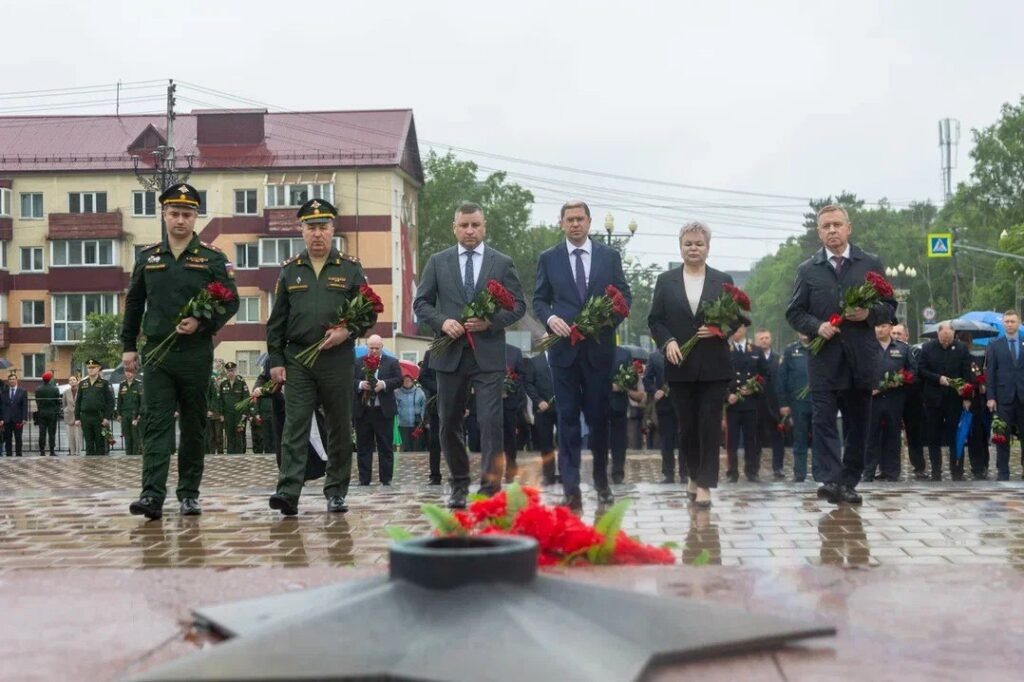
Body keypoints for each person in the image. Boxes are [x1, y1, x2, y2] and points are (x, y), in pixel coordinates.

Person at [122, 183, 239, 520]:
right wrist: (129, 346)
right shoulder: (148, 257)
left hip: (194, 353)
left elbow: (231, 301)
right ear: (164, 214)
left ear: (195, 217)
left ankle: (189, 494)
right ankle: (151, 495)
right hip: (157, 353)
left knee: (192, 425)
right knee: (156, 423)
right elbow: (134, 304)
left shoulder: (212, 258)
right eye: (174, 213)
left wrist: (202, 324)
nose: (180, 220)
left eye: (187, 214)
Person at [266, 198, 376, 516]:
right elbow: (276, 322)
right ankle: (288, 491)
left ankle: (336, 491)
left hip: (337, 359)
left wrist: (347, 331)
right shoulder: (289, 271)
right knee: (295, 425)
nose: (317, 234)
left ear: (332, 229)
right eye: (311, 227)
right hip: (298, 358)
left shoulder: (350, 268)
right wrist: (276, 361)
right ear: (301, 230)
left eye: (323, 227)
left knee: (339, 426)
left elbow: (367, 314)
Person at [413, 202, 526, 508]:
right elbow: (421, 303)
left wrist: (491, 321)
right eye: (464, 225)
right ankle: (459, 484)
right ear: (455, 227)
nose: (470, 231)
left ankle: (490, 489)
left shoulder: (501, 262)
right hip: (449, 354)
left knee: (491, 421)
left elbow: (518, 305)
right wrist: (441, 321)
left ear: (484, 226)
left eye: (475, 225)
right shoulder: (438, 261)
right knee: (449, 423)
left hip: (488, 354)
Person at [786, 204, 894, 505]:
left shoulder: (869, 263)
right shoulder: (808, 270)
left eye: (837, 224)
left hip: (861, 359)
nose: (832, 230)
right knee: (823, 421)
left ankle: (849, 481)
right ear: (819, 232)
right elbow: (794, 312)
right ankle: (830, 478)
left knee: (858, 423)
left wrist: (867, 313)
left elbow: (890, 308)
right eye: (826, 226)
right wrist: (816, 326)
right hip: (823, 360)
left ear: (849, 227)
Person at [533, 200, 631, 510]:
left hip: (599, 352)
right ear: (561, 223)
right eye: (569, 219)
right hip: (563, 355)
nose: (575, 224)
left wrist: (604, 322)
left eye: (580, 219)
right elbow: (539, 300)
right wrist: (549, 319)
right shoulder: (548, 258)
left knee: (599, 420)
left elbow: (624, 298)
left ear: (589, 222)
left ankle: (601, 482)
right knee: (567, 420)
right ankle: (571, 487)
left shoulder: (609, 256)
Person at [648, 221, 745, 508]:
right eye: (688, 243)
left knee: (709, 425)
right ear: (680, 247)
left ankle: (705, 484)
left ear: (708, 247)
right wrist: (668, 343)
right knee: (688, 427)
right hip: (680, 367)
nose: (693, 248)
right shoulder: (666, 281)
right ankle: (692, 474)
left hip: (714, 367)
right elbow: (655, 320)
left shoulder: (722, 279)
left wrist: (718, 330)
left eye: (699, 243)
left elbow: (735, 319)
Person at [917, 321, 973, 480]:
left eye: (949, 338)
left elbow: (967, 373)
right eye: (943, 338)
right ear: (938, 334)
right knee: (933, 436)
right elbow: (921, 370)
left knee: (955, 435)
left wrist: (967, 397)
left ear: (954, 335)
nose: (946, 341)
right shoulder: (927, 348)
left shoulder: (961, 348)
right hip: (933, 399)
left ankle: (957, 470)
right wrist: (938, 379)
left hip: (954, 399)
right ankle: (936, 470)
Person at [864, 319, 912, 481]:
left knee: (893, 436)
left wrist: (897, 381)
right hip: (872, 399)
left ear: (890, 328)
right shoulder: (867, 347)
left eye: (883, 326)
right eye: (877, 325)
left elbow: (912, 371)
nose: (879, 329)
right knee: (871, 436)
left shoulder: (902, 349)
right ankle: (868, 471)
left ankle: (891, 472)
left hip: (894, 399)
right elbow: (858, 369)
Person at [353, 335, 403, 485]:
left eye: (377, 348)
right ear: (367, 347)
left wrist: (384, 384)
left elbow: (399, 380)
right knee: (363, 446)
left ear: (382, 347)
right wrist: (361, 384)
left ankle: (386, 479)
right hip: (363, 411)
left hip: (383, 411)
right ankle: (364, 480)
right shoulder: (357, 362)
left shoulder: (392, 362)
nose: (374, 351)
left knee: (386, 446)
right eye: (371, 348)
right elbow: (349, 379)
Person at [725, 326, 768, 482]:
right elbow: (718, 376)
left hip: (751, 402)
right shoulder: (725, 350)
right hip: (732, 404)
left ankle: (752, 471)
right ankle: (732, 472)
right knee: (732, 441)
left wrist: (754, 388)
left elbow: (765, 374)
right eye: (732, 328)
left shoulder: (755, 350)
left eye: (739, 327)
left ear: (744, 329)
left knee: (752, 439)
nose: (736, 330)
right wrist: (727, 395)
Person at [985, 310, 1024, 481]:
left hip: (1023, 397)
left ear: (1019, 323)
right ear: (1003, 323)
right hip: (1003, 399)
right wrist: (991, 397)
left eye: (1012, 321)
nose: (1009, 324)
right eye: (1007, 321)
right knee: (1002, 437)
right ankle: (1003, 472)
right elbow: (990, 374)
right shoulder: (995, 345)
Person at [642, 351, 685, 484]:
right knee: (667, 440)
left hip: (682, 402)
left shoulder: (682, 350)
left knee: (684, 438)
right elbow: (646, 379)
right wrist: (654, 391)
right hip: (664, 404)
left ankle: (685, 473)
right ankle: (668, 473)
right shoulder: (655, 356)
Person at [893, 323, 928, 479]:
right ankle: (890, 468)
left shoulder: (915, 352)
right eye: (893, 333)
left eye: (899, 333)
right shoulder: (885, 350)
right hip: (893, 397)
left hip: (912, 398)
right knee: (891, 434)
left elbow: (919, 373)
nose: (896, 336)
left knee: (914, 434)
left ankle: (919, 467)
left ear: (906, 336)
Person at [777, 334, 813, 481]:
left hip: (818, 400)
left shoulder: (821, 347)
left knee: (820, 439)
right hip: (798, 402)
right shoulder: (790, 350)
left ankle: (820, 472)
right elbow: (782, 377)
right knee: (799, 438)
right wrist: (783, 403)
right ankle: (799, 473)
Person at [524, 348, 559, 485]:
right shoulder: (534, 362)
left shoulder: (562, 359)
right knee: (545, 443)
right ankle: (548, 475)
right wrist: (538, 400)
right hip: (542, 409)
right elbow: (528, 383)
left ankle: (564, 473)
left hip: (562, 408)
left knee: (563, 441)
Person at [754, 329, 785, 479]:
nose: (764, 341)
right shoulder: (752, 358)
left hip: (775, 403)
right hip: (757, 403)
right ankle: (754, 469)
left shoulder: (779, 358)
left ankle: (778, 467)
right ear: (756, 341)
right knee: (756, 437)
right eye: (761, 338)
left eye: (766, 338)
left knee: (777, 437)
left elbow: (783, 382)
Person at [608, 346, 637, 484]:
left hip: (618, 404)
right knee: (598, 439)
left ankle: (618, 472)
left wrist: (623, 384)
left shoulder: (624, 354)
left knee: (619, 441)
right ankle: (600, 471)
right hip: (598, 402)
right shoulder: (592, 349)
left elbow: (633, 379)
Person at [76, 359, 114, 455]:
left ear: (98, 368)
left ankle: (100, 467)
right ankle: (89, 466)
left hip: (99, 417)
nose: (91, 370)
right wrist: (77, 418)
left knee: (100, 443)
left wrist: (106, 417)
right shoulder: (82, 383)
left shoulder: (104, 383)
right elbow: (78, 402)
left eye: (93, 367)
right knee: (88, 443)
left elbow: (111, 402)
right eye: (89, 368)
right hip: (86, 417)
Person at [501, 343, 528, 482]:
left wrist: (509, 388)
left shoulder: (514, 351)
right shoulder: (482, 348)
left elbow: (522, 375)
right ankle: (492, 469)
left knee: (509, 437)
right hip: (488, 401)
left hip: (509, 402)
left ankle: (510, 469)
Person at [417, 351, 443, 484]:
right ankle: (435, 475)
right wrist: (440, 388)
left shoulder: (460, 350)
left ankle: (458, 475)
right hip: (435, 403)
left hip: (454, 402)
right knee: (435, 442)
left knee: (456, 439)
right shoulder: (430, 354)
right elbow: (423, 377)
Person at [219, 362, 249, 454]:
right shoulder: (223, 384)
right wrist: (221, 414)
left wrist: (245, 413)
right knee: (229, 435)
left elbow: (246, 399)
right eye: (228, 371)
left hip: (239, 414)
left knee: (239, 435)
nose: (230, 373)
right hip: (228, 414)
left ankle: (239, 455)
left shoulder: (241, 383)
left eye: (232, 371)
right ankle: (230, 454)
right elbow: (220, 400)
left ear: (235, 371)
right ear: (226, 372)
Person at [116, 367, 144, 455]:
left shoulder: (139, 384)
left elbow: (142, 402)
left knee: (135, 437)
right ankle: (128, 455)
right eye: (126, 372)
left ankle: (135, 456)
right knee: (127, 436)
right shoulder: (122, 385)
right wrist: (119, 414)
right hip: (125, 415)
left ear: (134, 373)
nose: (128, 374)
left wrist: (139, 415)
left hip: (134, 414)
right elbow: (120, 401)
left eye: (130, 372)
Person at [1, 372, 29, 457]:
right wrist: (1, 419)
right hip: (7, 419)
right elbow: (1, 406)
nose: (12, 381)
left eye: (13, 379)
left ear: (16, 380)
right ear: (8, 381)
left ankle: (18, 454)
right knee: (7, 439)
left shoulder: (22, 391)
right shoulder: (4, 392)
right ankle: (9, 454)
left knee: (18, 438)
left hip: (18, 419)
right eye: (10, 379)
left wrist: (24, 418)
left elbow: (25, 406)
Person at [396, 375, 425, 452]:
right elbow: (395, 407)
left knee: (417, 447)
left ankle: (417, 463)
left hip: (417, 424)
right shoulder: (397, 392)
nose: (407, 382)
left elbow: (424, 406)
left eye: (409, 380)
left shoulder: (420, 392)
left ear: (412, 381)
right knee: (405, 447)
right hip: (403, 424)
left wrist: (422, 420)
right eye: (405, 381)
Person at [35, 371, 61, 456]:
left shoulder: (38, 389)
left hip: (42, 413)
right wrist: (56, 410)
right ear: (50, 379)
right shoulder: (55, 389)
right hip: (52, 413)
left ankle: (42, 450)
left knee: (42, 433)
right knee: (52, 433)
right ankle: (52, 450)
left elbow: (37, 402)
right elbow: (58, 402)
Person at [62, 375, 82, 456]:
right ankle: (72, 452)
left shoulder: (81, 391)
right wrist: (66, 410)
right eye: (70, 380)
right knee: (70, 437)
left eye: (74, 379)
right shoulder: (66, 392)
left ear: (77, 381)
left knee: (78, 436)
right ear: (69, 382)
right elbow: (64, 403)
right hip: (69, 416)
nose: (72, 381)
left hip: (78, 417)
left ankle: (78, 452)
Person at [205, 373, 224, 454]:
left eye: (219, 378)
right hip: (211, 413)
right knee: (211, 435)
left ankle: (220, 451)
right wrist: (208, 409)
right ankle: (212, 452)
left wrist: (222, 414)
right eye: (216, 377)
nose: (217, 379)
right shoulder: (211, 385)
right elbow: (207, 397)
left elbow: (224, 401)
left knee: (219, 434)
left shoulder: (223, 386)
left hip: (219, 414)